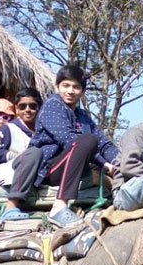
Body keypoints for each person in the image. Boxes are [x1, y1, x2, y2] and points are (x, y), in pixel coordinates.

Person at [31, 65, 119, 227]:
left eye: (76, 87)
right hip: (51, 168)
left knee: (94, 141)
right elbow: (69, 139)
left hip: (77, 165)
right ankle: (59, 206)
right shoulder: (52, 107)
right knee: (87, 140)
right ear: (57, 86)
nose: (70, 91)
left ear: (82, 91)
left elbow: (104, 143)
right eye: (66, 85)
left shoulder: (82, 115)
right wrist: (104, 163)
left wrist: (120, 162)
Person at [0, 89, 51, 221]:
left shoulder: (44, 131)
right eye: (23, 106)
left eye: (33, 106)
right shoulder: (9, 129)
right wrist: (11, 156)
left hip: (35, 173)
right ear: (17, 109)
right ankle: (11, 206)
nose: (27, 110)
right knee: (34, 153)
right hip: (9, 172)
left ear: (39, 108)